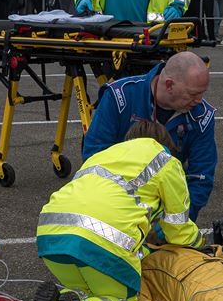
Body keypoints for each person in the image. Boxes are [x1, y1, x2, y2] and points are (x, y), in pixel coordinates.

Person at [24, 122, 203, 301]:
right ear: (166, 144)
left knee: (87, 291)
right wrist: (201, 243)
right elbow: (178, 228)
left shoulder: (103, 156)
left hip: (51, 233)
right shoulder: (166, 161)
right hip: (102, 240)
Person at [82, 51, 215, 223]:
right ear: (169, 85)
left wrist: (175, 223)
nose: (199, 100)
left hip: (167, 202)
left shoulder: (202, 116)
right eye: (192, 94)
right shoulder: (119, 97)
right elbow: (94, 156)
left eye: (202, 93)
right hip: (115, 199)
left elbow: (201, 178)